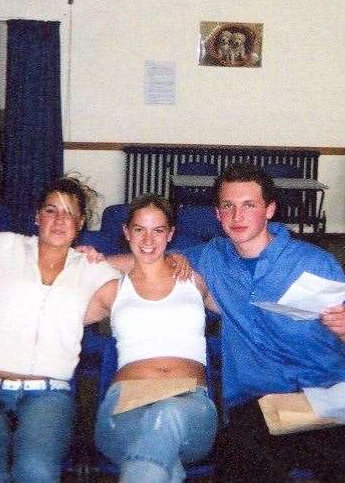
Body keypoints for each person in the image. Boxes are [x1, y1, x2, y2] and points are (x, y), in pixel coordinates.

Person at [187, 163, 345, 483]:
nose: (237, 217)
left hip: (327, 392)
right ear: (218, 214)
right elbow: (150, 260)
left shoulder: (314, 262)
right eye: (229, 206)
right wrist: (86, 261)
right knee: (243, 461)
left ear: (270, 209)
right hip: (258, 401)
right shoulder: (211, 257)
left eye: (249, 205)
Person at [0, 176, 121, 483]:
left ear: (80, 223)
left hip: (49, 395)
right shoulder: (3, 246)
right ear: (37, 216)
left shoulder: (91, 268)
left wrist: (115, 258)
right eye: (52, 210)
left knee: (36, 473)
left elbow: (143, 281)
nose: (59, 220)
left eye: (69, 213)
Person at [91, 195, 220, 483]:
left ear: (171, 234)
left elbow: (241, 312)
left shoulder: (193, 280)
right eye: (140, 229)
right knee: (161, 459)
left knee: (167, 414)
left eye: (158, 230)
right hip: (124, 406)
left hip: (190, 406)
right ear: (127, 232)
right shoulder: (111, 288)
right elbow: (54, 316)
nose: (148, 239)